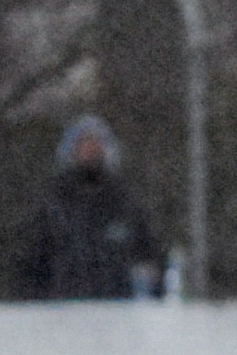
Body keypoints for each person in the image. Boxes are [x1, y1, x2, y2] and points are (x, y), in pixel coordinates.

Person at [19, 117, 166, 300]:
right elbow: (32, 261)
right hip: (64, 310)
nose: (90, 149)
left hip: (118, 310)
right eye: (84, 144)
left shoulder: (124, 201)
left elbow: (149, 253)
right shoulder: (54, 202)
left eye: (96, 143)